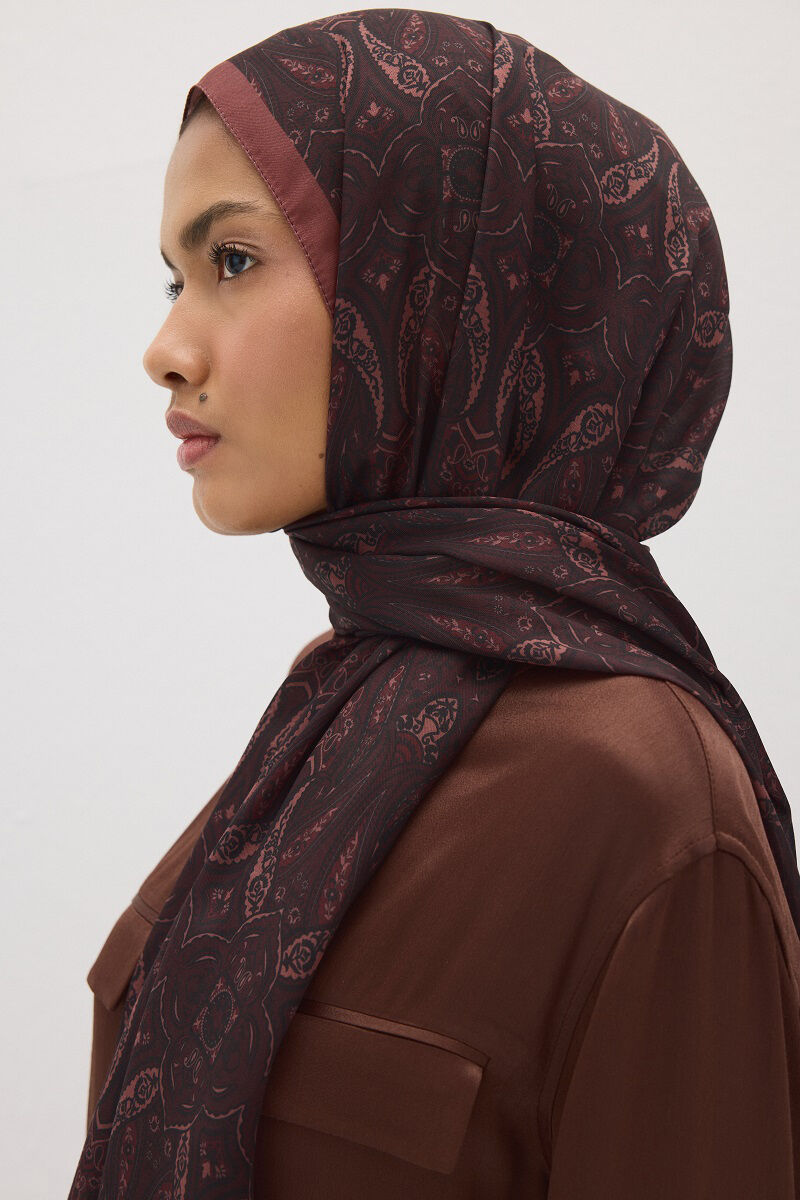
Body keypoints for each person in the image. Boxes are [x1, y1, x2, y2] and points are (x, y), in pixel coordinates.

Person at [69, 9, 800, 1198]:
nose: (165, 347)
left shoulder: (637, 796)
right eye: (175, 276)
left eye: (232, 262)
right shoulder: (336, 711)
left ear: (442, 295)